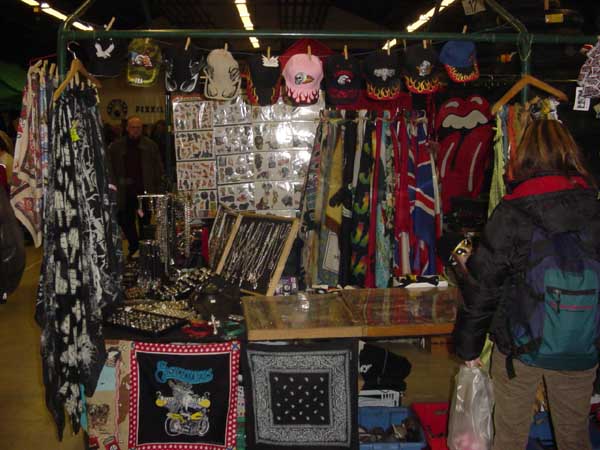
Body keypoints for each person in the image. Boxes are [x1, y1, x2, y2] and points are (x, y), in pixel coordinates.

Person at [453, 119, 600, 450]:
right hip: (580, 344)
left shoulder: (513, 210)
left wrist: (469, 349)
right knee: (575, 437)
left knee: (510, 437)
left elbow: (483, 285)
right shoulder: (593, 207)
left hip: (519, 346)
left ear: (524, 155)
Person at [107, 116, 164, 257]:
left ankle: (143, 251)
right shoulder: (116, 147)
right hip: (124, 193)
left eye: (138, 127)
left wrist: (158, 189)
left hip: (144, 192)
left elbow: (158, 169)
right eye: (133, 127)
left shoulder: (151, 146)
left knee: (145, 222)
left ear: (142, 129)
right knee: (126, 222)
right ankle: (134, 247)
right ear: (127, 128)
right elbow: (110, 169)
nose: (136, 130)